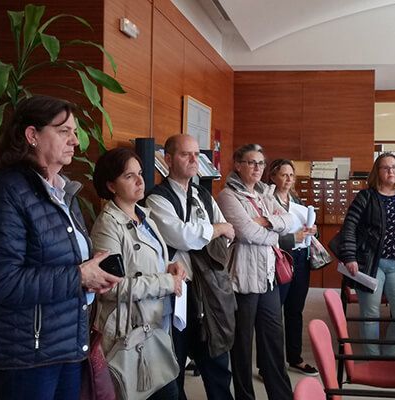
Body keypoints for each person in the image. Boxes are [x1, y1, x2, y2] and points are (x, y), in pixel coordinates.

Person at [0, 95, 122, 400]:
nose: (75, 141)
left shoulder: (63, 191)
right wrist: (80, 276)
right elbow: (0, 281)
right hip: (26, 352)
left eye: (74, 132)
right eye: (64, 131)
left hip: (64, 343)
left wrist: (92, 269)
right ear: (32, 135)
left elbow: (57, 260)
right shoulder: (7, 193)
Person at [145, 134, 235, 400]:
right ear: (168, 159)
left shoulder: (203, 195)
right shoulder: (157, 198)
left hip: (209, 289)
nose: (194, 160)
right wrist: (213, 230)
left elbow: (228, 235)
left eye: (197, 154)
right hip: (177, 292)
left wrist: (207, 233)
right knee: (175, 363)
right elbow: (182, 236)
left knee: (217, 362)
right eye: (186, 154)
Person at [90, 147, 185, 399]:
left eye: (140, 173)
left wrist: (169, 266)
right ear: (111, 185)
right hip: (130, 331)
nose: (140, 181)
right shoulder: (108, 225)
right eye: (129, 176)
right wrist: (166, 282)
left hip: (156, 324)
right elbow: (111, 286)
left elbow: (145, 263)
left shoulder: (145, 217)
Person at [217, 144, 295, 400]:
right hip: (243, 280)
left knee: (273, 341)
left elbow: (289, 221)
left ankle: (281, 396)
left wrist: (266, 222)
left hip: (269, 278)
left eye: (261, 163)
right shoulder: (228, 196)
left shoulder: (265, 193)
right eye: (251, 162)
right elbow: (246, 232)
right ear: (238, 165)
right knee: (242, 346)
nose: (257, 168)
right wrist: (273, 231)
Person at [337, 153, 395, 355]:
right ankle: (371, 359)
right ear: (377, 171)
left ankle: (388, 356)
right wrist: (349, 256)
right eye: (386, 167)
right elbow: (349, 227)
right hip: (371, 263)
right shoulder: (366, 196)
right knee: (370, 315)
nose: (391, 171)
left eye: (394, 167)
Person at [267, 158, 318, 375]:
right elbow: (264, 233)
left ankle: (295, 358)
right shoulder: (267, 200)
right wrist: (292, 237)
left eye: (291, 175)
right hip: (279, 257)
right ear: (273, 177)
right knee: (272, 313)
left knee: (295, 310)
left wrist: (312, 230)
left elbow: (306, 225)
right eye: (283, 175)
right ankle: (269, 364)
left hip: (300, 258)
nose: (288, 179)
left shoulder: (296, 199)